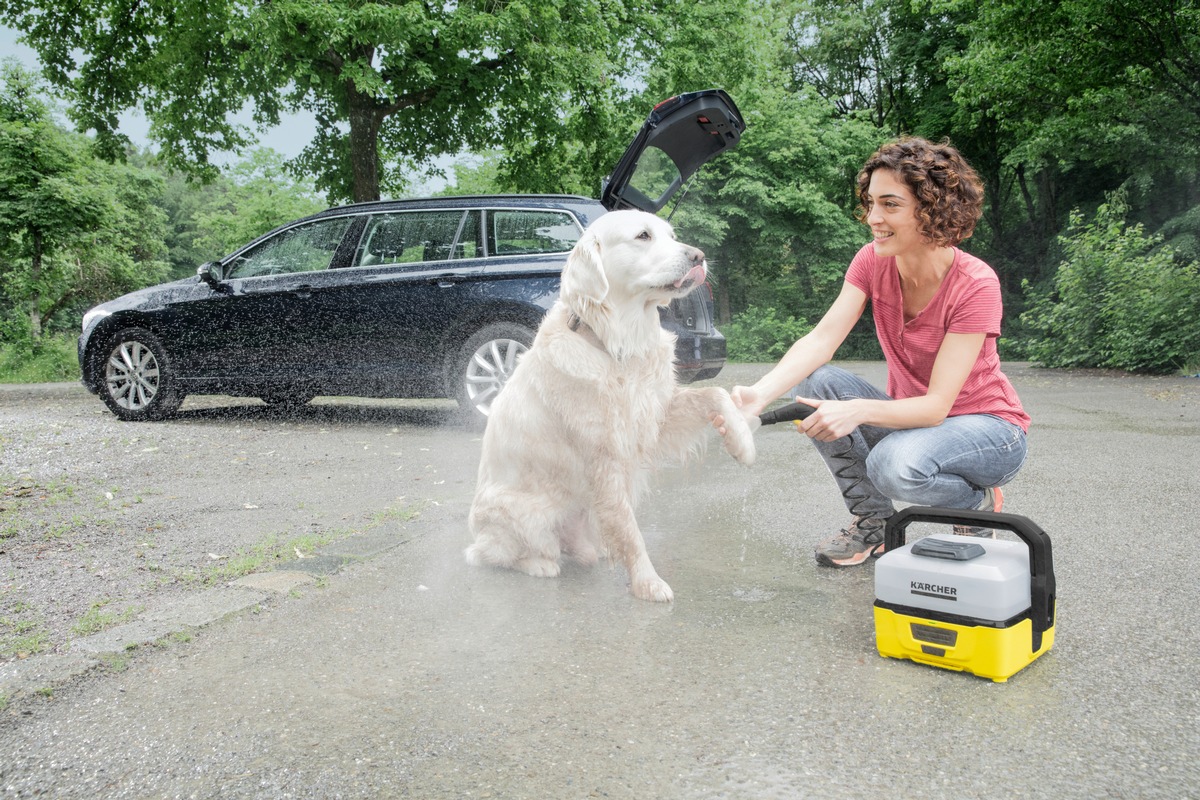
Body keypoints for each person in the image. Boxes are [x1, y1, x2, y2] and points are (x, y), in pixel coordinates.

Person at [725, 136, 1030, 567]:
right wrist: (760, 394)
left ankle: (970, 500)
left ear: (932, 207)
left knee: (891, 464)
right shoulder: (871, 261)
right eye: (870, 203)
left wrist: (858, 412)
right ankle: (875, 524)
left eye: (890, 205)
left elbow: (937, 408)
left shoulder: (975, 284)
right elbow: (821, 340)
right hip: (919, 424)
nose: (873, 218)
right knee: (821, 383)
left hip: (990, 432)